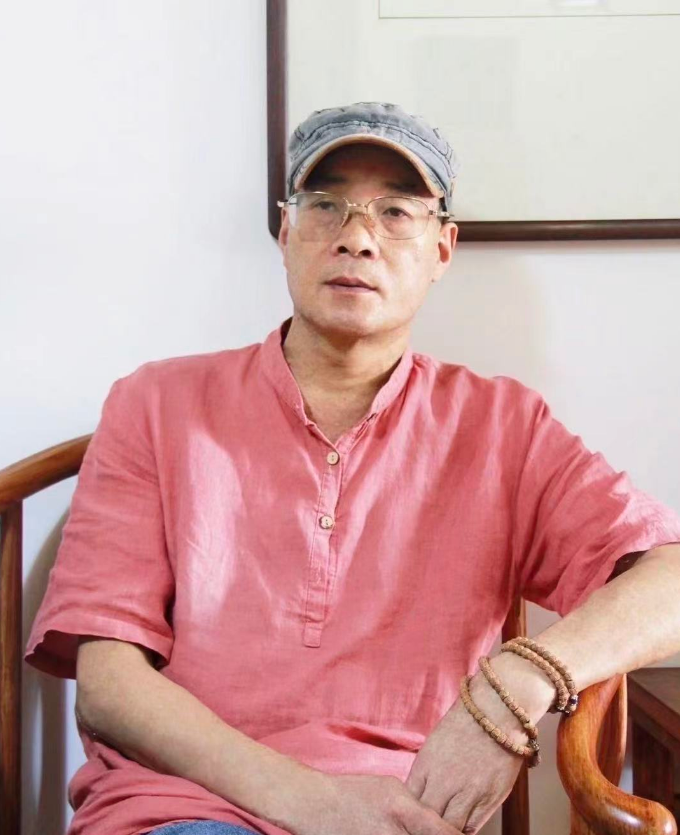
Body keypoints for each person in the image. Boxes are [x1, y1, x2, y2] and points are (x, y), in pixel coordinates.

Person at [24, 102, 680, 835]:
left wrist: (516, 682)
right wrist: (316, 803)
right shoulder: (156, 403)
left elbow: (672, 581)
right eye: (325, 205)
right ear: (286, 233)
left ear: (442, 249)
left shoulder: (503, 426)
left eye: (395, 212)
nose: (357, 237)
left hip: (402, 817)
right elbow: (108, 686)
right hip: (183, 813)